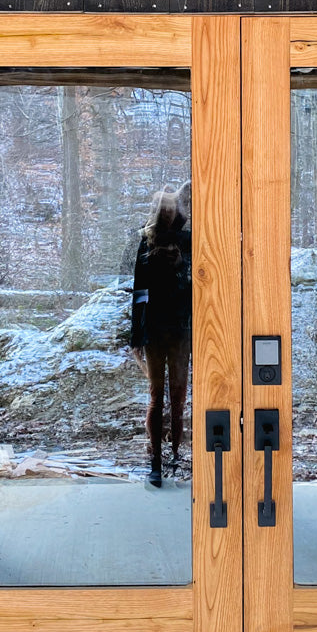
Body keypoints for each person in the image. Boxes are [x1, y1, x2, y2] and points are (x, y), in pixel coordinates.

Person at [131, 185, 192, 487]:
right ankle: (158, 461)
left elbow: (197, 284)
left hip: (178, 330)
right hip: (160, 330)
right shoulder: (145, 240)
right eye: (163, 208)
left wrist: (180, 266)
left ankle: (172, 458)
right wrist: (136, 336)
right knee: (161, 397)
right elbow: (138, 290)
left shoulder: (187, 240)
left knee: (173, 398)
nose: (167, 213)